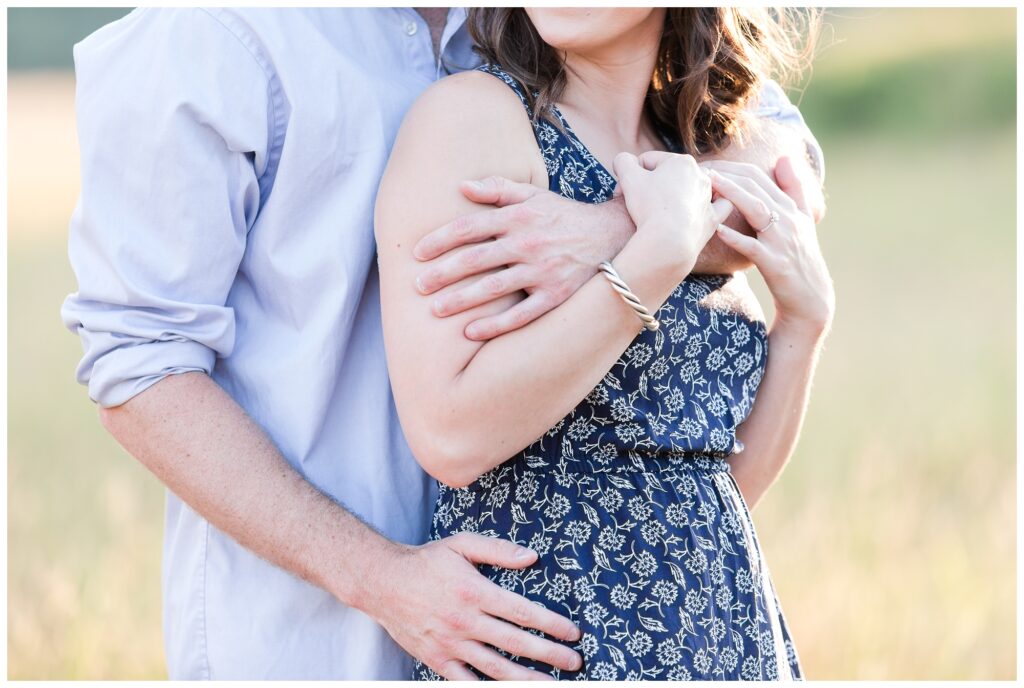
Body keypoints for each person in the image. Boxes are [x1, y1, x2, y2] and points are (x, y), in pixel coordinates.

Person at [61, 7, 823, 681]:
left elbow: (786, 163)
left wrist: (611, 228)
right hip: (317, 625)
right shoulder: (210, 35)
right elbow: (141, 367)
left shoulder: (510, 20)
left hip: (594, 616)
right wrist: (380, 578)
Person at [375, 7, 833, 680]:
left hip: (721, 635)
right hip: (551, 643)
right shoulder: (474, 120)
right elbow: (448, 435)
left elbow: (711, 487)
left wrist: (804, 324)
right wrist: (649, 261)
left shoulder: (699, 148)